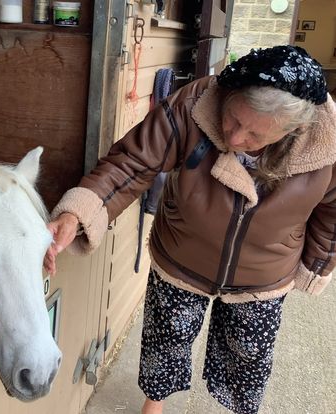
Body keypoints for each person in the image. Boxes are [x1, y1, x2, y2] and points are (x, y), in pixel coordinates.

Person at [44, 45, 336, 414]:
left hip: (265, 271)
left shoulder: (326, 144)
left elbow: (332, 212)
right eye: (232, 119)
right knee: (165, 339)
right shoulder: (196, 103)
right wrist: (77, 212)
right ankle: (154, 405)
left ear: (293, 130)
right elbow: (132, 163)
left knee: (249, 359)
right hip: (182, 254)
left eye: (255, 136)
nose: (234, 139)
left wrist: (317, 263)